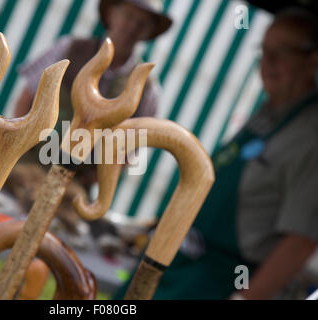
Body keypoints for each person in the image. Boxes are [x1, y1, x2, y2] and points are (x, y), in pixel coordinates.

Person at [115, 7, 318, 300]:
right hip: (176, 264)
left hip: (218, 281)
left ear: (313, 60)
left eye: (283, 52)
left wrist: (246, 297)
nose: (268, 62)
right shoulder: (269, 112)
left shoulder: (311, 135)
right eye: (264, 50)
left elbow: (301, 238)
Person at [12, 0, 172, 190]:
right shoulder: (68, 48)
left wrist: (87, 181)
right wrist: (20, 146)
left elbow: (129, 152)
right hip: (26, 166)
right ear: (112, 14)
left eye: (142, 23)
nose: (132, 27)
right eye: (129, 16)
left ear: (149, 32)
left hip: (74, 187)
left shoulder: (147, 89)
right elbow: (26, 98)